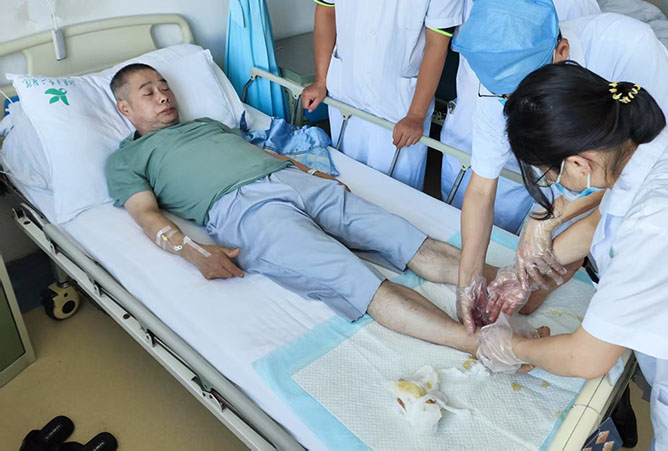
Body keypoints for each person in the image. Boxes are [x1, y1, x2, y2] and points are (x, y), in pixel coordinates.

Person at [104, 63, 497, 355]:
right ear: (125, 108)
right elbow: (147, 216)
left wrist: (311, 171)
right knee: (352, 276)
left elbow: (258, 151)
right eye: (148, 92)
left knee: (402, 236)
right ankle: (477, 342)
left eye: (164, 86)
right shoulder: (127, 160)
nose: (163, 95)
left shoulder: (208, 124)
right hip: (242, 211)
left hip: (294, 180)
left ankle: (510, 286)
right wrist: (192, 251)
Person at [476, 62, 668, 450]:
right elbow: (600, 223)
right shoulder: (651, 149)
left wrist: (511, 346)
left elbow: (586, 358)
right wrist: (523, 272)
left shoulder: (659, 223)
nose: (553, 183)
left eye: (549, 175)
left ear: (577, 163)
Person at [453, 0, 668, 334]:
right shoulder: (499, 81)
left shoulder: (628, 48)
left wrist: (548, 218)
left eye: (522, 96)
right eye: (505, 97)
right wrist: (468, 279)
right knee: (529, 297)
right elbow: (482, 187)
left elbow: (642, 169)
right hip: (587, 184)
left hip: (641, 190)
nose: (511, 104)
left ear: (561, 52)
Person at [436, 0, 600, 231]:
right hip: (465, 131)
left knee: (506, 238)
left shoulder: (568, 0)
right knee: (452, 226)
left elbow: (581, 94)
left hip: (524, 149)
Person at [301, 0, 463, 191]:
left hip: (400, 103)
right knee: (345, 184)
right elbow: (326, 9)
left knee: (397, 196)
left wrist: (416, 114)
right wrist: (321, 79)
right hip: (347, 89)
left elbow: (437, 41)